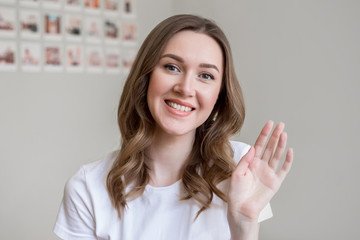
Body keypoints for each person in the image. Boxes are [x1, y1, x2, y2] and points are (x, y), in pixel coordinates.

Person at [54, 14, 293, 240]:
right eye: (172, 67)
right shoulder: (88, 188)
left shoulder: (238, 168)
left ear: (219, 95)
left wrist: (244, 226)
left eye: (206, 76)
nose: (186, 88)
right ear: (145, 77)